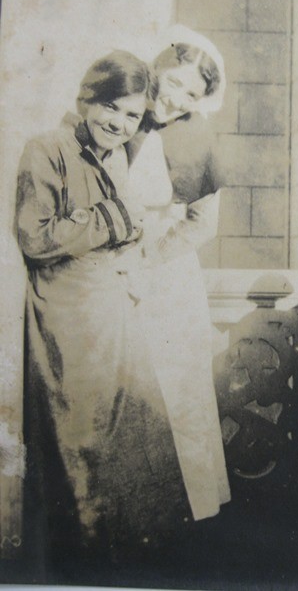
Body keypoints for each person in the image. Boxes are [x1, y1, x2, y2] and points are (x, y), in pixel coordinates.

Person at [15, 51, 182, 561]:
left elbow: (121, 230)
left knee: (129, 432)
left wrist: (128, 238)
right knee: (78, 436)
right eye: (111, 107)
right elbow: (35, 238)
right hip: (66, 317)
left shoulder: (113, 156)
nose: (119, 123)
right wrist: (111, 217)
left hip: (109, 311)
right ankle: (80, 559)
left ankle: (124, 557)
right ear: (86, 98)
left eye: (132, 116)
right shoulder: (46, 149)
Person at [125, 25, 231, 523]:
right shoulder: (121, 114)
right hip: (109, 271)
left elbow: (202, 225)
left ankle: (188, 512)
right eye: (172, 83)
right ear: (156, 69)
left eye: (191, 94)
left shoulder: (196, 136)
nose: (176, 99)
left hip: (164, 276)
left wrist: (147, 261)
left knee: (176, 387)